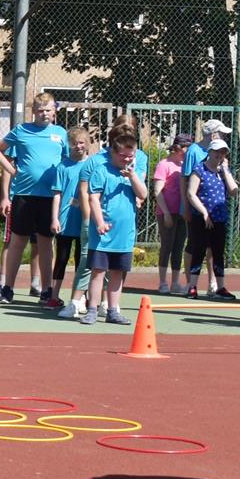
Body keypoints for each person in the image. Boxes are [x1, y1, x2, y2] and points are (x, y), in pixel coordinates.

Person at [0, 91, 65, 306]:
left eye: (48, 110)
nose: (45, 114)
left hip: (50, 197)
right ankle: (7, 288)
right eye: (41, 110)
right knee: (17, 242)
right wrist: (11, 170)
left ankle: (46, 290)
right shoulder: (21, 130)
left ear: (54, 111)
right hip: (24, 195)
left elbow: (69, 162)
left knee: (45, 244)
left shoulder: (60, 133)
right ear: (33, 111)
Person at [80, 118, 149, 325]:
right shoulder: (101, 170)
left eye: (131, 156)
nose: (127, 160)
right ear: (113, 153)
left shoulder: (132, 173)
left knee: (117, 273)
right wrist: (99, 222)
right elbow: (93, 198)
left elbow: (143, 194)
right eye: (123, 156)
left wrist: (132, 177)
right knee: (98, 272)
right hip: (103, 234)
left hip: (124, 234)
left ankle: (113, 310)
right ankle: (92, 309)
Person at [49, 122, 98, 317]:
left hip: (85, 220)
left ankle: (80, 299)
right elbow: (57, 194)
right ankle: (54, 295)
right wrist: (55, 218)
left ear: (88, 143)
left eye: (82, 142)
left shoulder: (93, 165)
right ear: (69, 144)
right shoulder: (63, 166)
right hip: (65, 219)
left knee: (82, 260)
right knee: (61, 257)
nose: (79, 146)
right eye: (75, 143)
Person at [183, 127, 236, 299]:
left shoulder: (223, 172)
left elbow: (234, 190)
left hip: (219, 218)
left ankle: (220, 287)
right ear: (210, 152)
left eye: (223, 153)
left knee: (218, 252)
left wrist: (226, 171)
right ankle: (192, 286)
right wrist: (204, 213)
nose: (219, 155)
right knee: (198, 250)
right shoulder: (199, 169)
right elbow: (191, 194)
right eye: (217, 152)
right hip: (201, 218)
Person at [152, 132, 189, 296]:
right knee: (167, 245)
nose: (188, 151)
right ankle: (162, 282)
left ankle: (175, 282)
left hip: (182, 213)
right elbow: (157, 191)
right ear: (178, 147)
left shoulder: (185, 166)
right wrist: (166, 213)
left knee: (179, 246)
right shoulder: (164, 164)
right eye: (186, 147)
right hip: (167, 212)